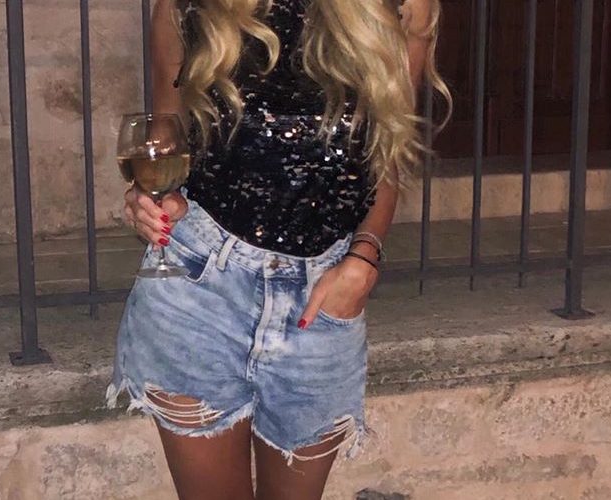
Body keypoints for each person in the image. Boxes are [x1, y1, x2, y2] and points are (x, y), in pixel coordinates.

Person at [107, 0, 450, 498]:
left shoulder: (398, 8)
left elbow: (387, 157)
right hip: (199, 290)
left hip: (321, 299)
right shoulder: (186, 6)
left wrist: (365, 257)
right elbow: (167, 135)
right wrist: (154, 197)